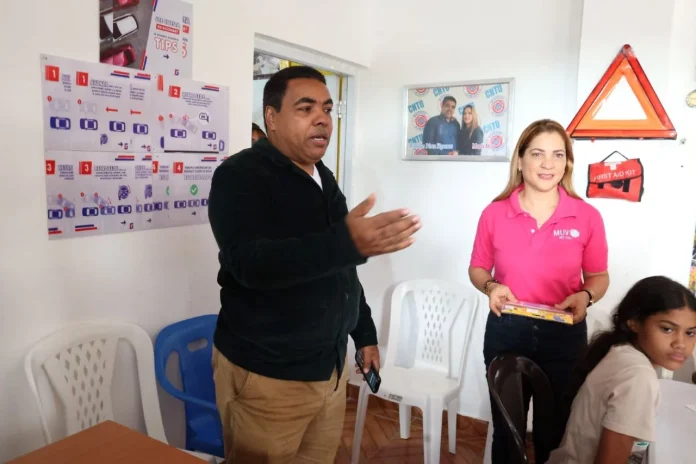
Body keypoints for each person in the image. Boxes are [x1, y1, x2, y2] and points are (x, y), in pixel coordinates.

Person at [208, 65, 421, 463]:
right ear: (272, 117)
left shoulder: (322, 176)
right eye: (306, 109)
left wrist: (364, 332)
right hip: (269, 377)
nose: (322, 119)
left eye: (327, 108)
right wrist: (346, 243)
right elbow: (251, 265)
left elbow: (341, 270)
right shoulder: (239, 176)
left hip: (329, 371)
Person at [468, 119, 610, 463]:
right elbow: (477, 268)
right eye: (537, 154)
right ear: (520, 160)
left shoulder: (587, 216)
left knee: (555, 432)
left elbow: (598, 276)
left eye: (558, 154)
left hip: (564, 335)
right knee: (508, 432)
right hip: (507, 331)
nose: (548, 164)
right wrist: (491, 286)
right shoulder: (495, 213)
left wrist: (586, 296)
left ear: (567, 162)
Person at [548, 276, 696, 463]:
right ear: (634, 322)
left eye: (690, 332)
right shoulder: (638, 377)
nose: (681, 343)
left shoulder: (620, 351)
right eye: (667, 329)